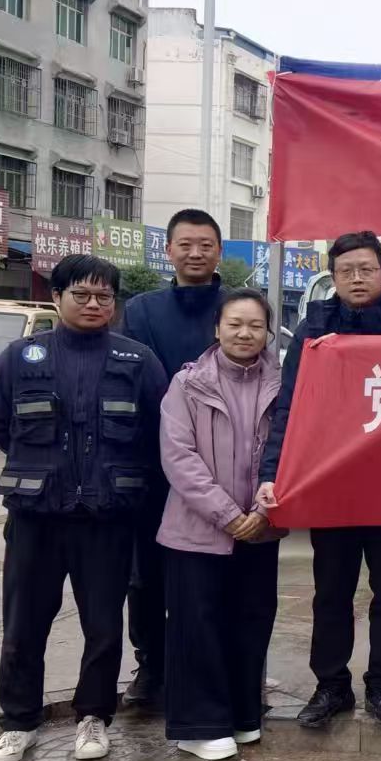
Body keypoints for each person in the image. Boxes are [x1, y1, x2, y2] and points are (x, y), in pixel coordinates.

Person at [0, 255, 167, 761]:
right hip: (36, 516)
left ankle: (93, 717)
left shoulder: (138, 360)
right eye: (81, 295)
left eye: (104, 296)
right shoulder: (22, 356)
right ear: (57, 296)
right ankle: (19, 723)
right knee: (23, 625)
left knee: (103, 627)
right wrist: (45, 469)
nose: (93, 304)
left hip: (107, 517)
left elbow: (159, 431)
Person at [256, 231, 381, 729]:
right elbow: (290, 405)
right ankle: (331, 686)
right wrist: (272, 473)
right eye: (346, 271)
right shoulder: (315, 326)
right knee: (331, 592)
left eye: (366, 269)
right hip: (334, 484)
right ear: (333, 277)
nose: (357, 279)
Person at [157, 290, 284, 761]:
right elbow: (179, 457)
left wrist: (263, 513)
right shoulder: (188, 384)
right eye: (235, 324)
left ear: (268, 333)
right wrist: (228, 514)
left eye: (255, 325)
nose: (245, 333)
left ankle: (243, 715)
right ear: (217, 329)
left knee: (251, 622)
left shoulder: (283, 383)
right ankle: (198, 726)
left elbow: (291, 450)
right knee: (198, 626)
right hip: (196, 531)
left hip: (261, 528)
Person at [116, 208, 224, 711]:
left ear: (219, 251)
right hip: (154, 463)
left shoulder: (237, 306)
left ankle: (213, 667)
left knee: (215, 572)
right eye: (186, 244)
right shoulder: (141, 309)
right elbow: (136, 381)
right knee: (147, 572)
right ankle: (151, 665)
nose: (196, 253)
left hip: (223, 463)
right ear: (169, 250)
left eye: (206, 244)